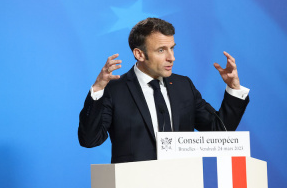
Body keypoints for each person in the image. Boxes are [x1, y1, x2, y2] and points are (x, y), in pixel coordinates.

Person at [78, 18, 249, 163]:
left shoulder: (184, 86)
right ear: (139, 54)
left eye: (172, 48)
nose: (171, 57)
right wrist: (98, 89)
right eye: (161, 50)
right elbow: (90, 140)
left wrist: (233, 88)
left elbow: (218, 132)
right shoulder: (115, 90)